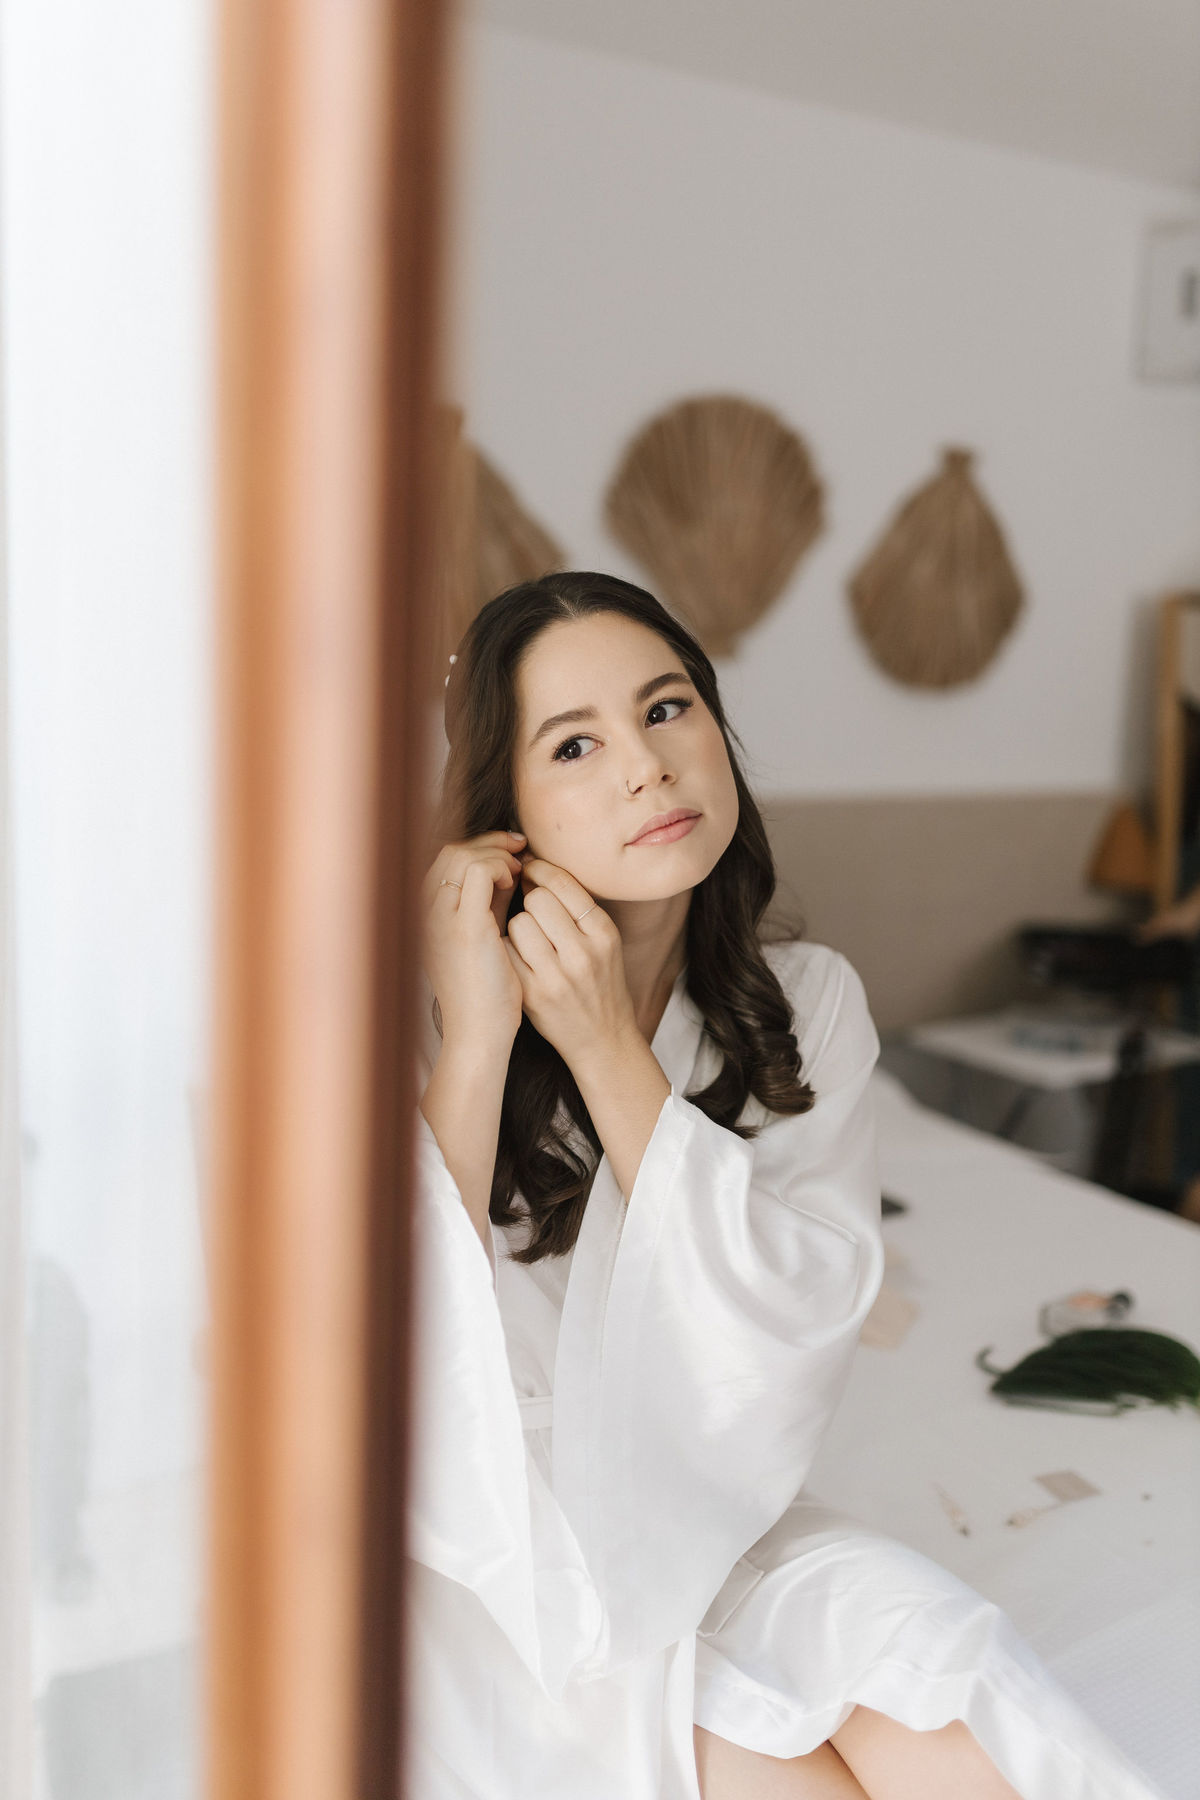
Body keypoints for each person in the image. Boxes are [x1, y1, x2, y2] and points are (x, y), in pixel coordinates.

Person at [411, 571, 1163, 1800]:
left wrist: (606, 1047)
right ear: (507, 815)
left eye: (666, 709)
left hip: (715, 1512)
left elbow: (787, 1323)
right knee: (772, 1767)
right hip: (499, 1566)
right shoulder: (428, 1019)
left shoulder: (807, 1003)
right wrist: (484, 1031)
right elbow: (391, 1340)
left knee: (941, 1683)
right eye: (575, 745)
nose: (647, 768)